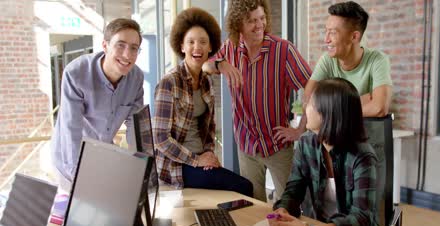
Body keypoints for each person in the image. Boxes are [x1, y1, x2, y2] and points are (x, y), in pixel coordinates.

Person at [203, 0, 312, 201]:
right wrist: (221, 65)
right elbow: (205, 66)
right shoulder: (230, 49)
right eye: (251, 21)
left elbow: (313, 88)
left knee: (289, 207)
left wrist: (300, 129)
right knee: (253, 207)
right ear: (238, 25)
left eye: (261, 18)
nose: (259, 25)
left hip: (278, 145)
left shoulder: (283, 50)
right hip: (247, 146)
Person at [268, 78, 384, 226]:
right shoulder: (306, 144)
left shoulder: (363, 156)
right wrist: (283, 210)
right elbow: (293, 191)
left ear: (328, 114)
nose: (305, 109)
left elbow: (362, 219)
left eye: (311, 104)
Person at [153, 7, 253, 197]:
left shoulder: (206, 81)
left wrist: (209, 155)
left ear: (210, 48)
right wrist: (196, 161)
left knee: (238, 186)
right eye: (190, 42)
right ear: (181, 46)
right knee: (242, 187)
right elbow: (161, 139)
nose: (197, 47)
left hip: (199, 158)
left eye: (203, 42)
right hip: (177, 165)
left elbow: (209, 128)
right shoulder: (170, 82)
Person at [51, 18, 144, 193]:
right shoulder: (76, 73)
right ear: (105, 45)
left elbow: (135, 125)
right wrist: (78, 176)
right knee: (80, 211)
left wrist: (140, 165)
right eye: (120, 45)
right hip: (70, 158)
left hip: (102, 152)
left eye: (134, 48)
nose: (127, 55)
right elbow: (71, 129)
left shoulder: (136, 77)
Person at [305, 1, 392, 117]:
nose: (326, 39)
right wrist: (359, 102)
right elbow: (308, 101)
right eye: (326, 31)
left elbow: (379, 108)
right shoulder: (327, 60)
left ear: (354, 37)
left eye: (333, 33)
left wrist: (332, 109)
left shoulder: (377, 60)